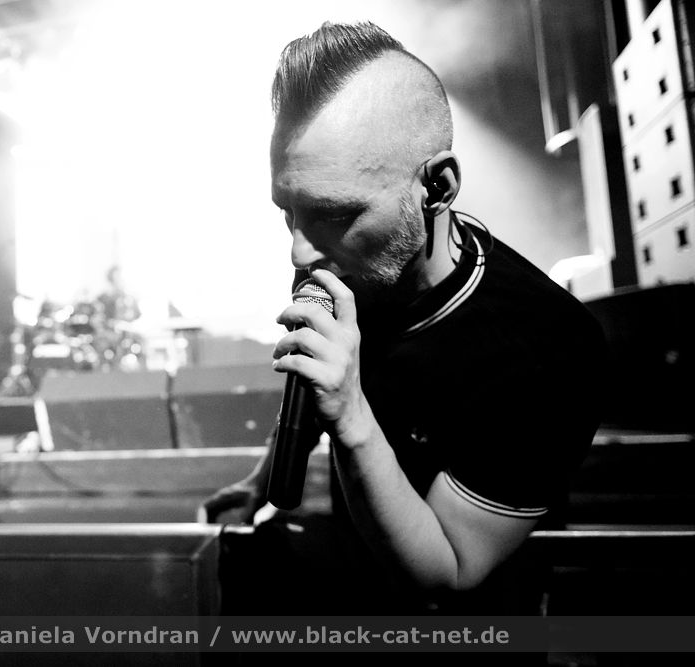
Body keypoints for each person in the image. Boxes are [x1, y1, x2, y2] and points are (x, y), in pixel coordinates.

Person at [200, 21, 607, 616]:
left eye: (333, 214)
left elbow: (449, 571)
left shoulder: (547, 345)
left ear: (437, 187)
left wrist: (351, 414)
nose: (299, 253)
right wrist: (261, 482)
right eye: (289, 211)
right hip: (358, 596)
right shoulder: (352, 267)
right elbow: (309, 398)